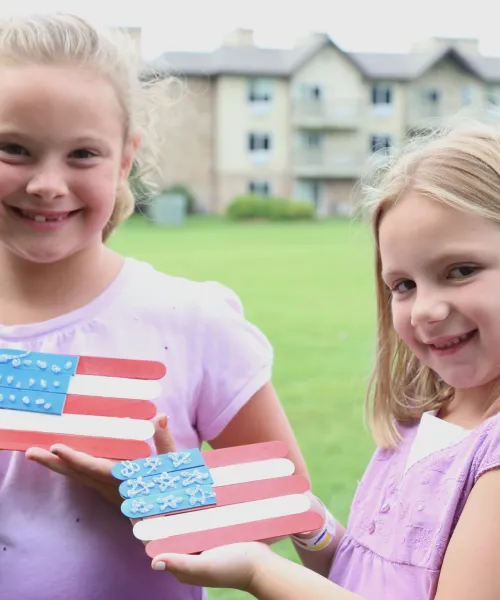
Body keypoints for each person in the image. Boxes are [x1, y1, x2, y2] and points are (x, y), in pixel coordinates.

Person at [0, 13, 309, 600]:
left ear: (124, 160)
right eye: (13, 148)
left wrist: (157, 497)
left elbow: (286, 496)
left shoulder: (190, 320)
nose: (46, 183)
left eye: (83, 154)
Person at [151, 120, 500, 600]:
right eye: (403, 285)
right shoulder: (428, 421)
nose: (425, 310)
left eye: (461, 271)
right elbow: (367, 575)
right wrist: (302, 516)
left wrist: (259, 571)